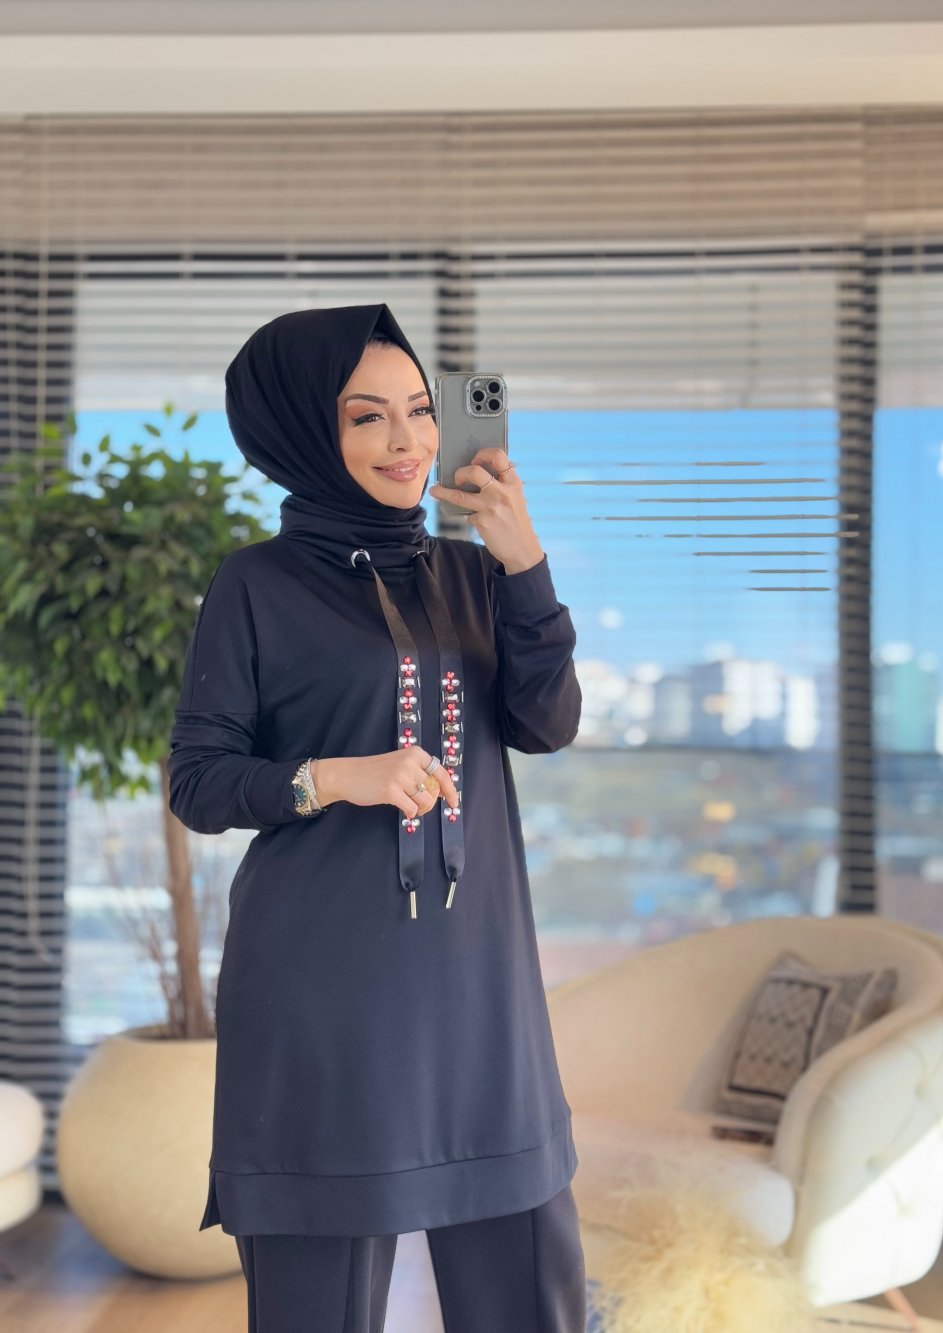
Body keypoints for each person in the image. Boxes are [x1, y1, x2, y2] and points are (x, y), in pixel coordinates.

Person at [166, 303, 588, 1332]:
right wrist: (337, 777)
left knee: (530, 1294)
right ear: (305, 432)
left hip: (478, 987)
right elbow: (199, 781)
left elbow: (547, 723)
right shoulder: (255, 584)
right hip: (323, 992)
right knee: (320, 1301)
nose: (407, 441)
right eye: (366, 416)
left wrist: (523, 561)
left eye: (419, 410)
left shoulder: (475, 575)